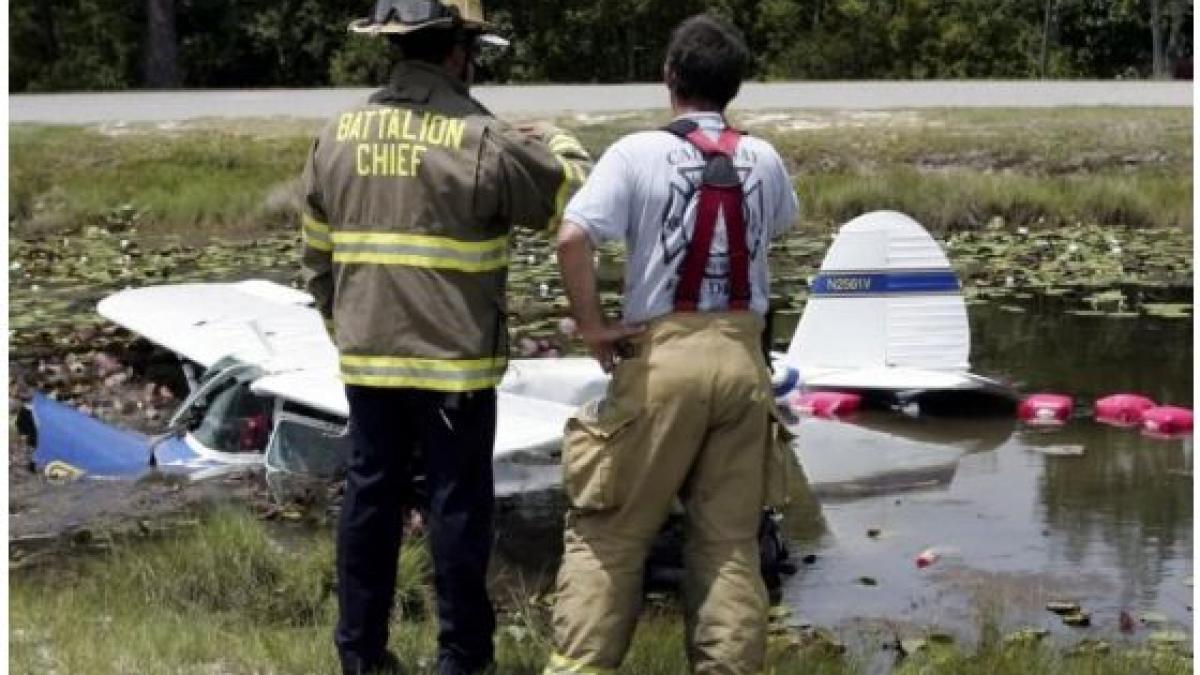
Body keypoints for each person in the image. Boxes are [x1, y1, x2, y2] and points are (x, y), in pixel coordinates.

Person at [298, 2, 591, 673]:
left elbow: (317, 259)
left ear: (392, 49)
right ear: (459, 52)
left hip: (368, 363)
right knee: (456, 505)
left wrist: (348, 330)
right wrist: (557, 139)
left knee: (369, 501)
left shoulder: (336, 135)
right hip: (455, 367)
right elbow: (571, 198)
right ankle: (462, 656)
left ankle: (361, 655)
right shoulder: (482, 138)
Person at [543, 14, 799, 675]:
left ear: (670, 78)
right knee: (730, 543)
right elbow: (782, 224)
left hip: (664, 357)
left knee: (615, 531)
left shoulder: (634, 152)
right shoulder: (764, 157)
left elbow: (573, 237)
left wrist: (594, 326)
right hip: (744, 361)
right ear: (733, 88)